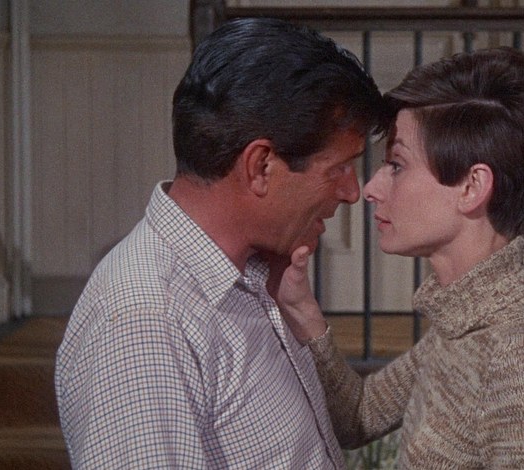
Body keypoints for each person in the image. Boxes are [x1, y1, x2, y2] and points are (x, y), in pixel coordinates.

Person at [54, 17, 386, 468]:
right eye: (339, 168)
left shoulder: (252, 274)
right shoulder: (146, 322)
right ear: (261, 166)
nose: (351, 192)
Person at [275, 47, 524, 468]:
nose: (371, 189)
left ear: (472, 187)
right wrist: (303, 309)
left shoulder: (520, 357)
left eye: (397, 165)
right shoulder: (463, 326)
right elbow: (359, 416)